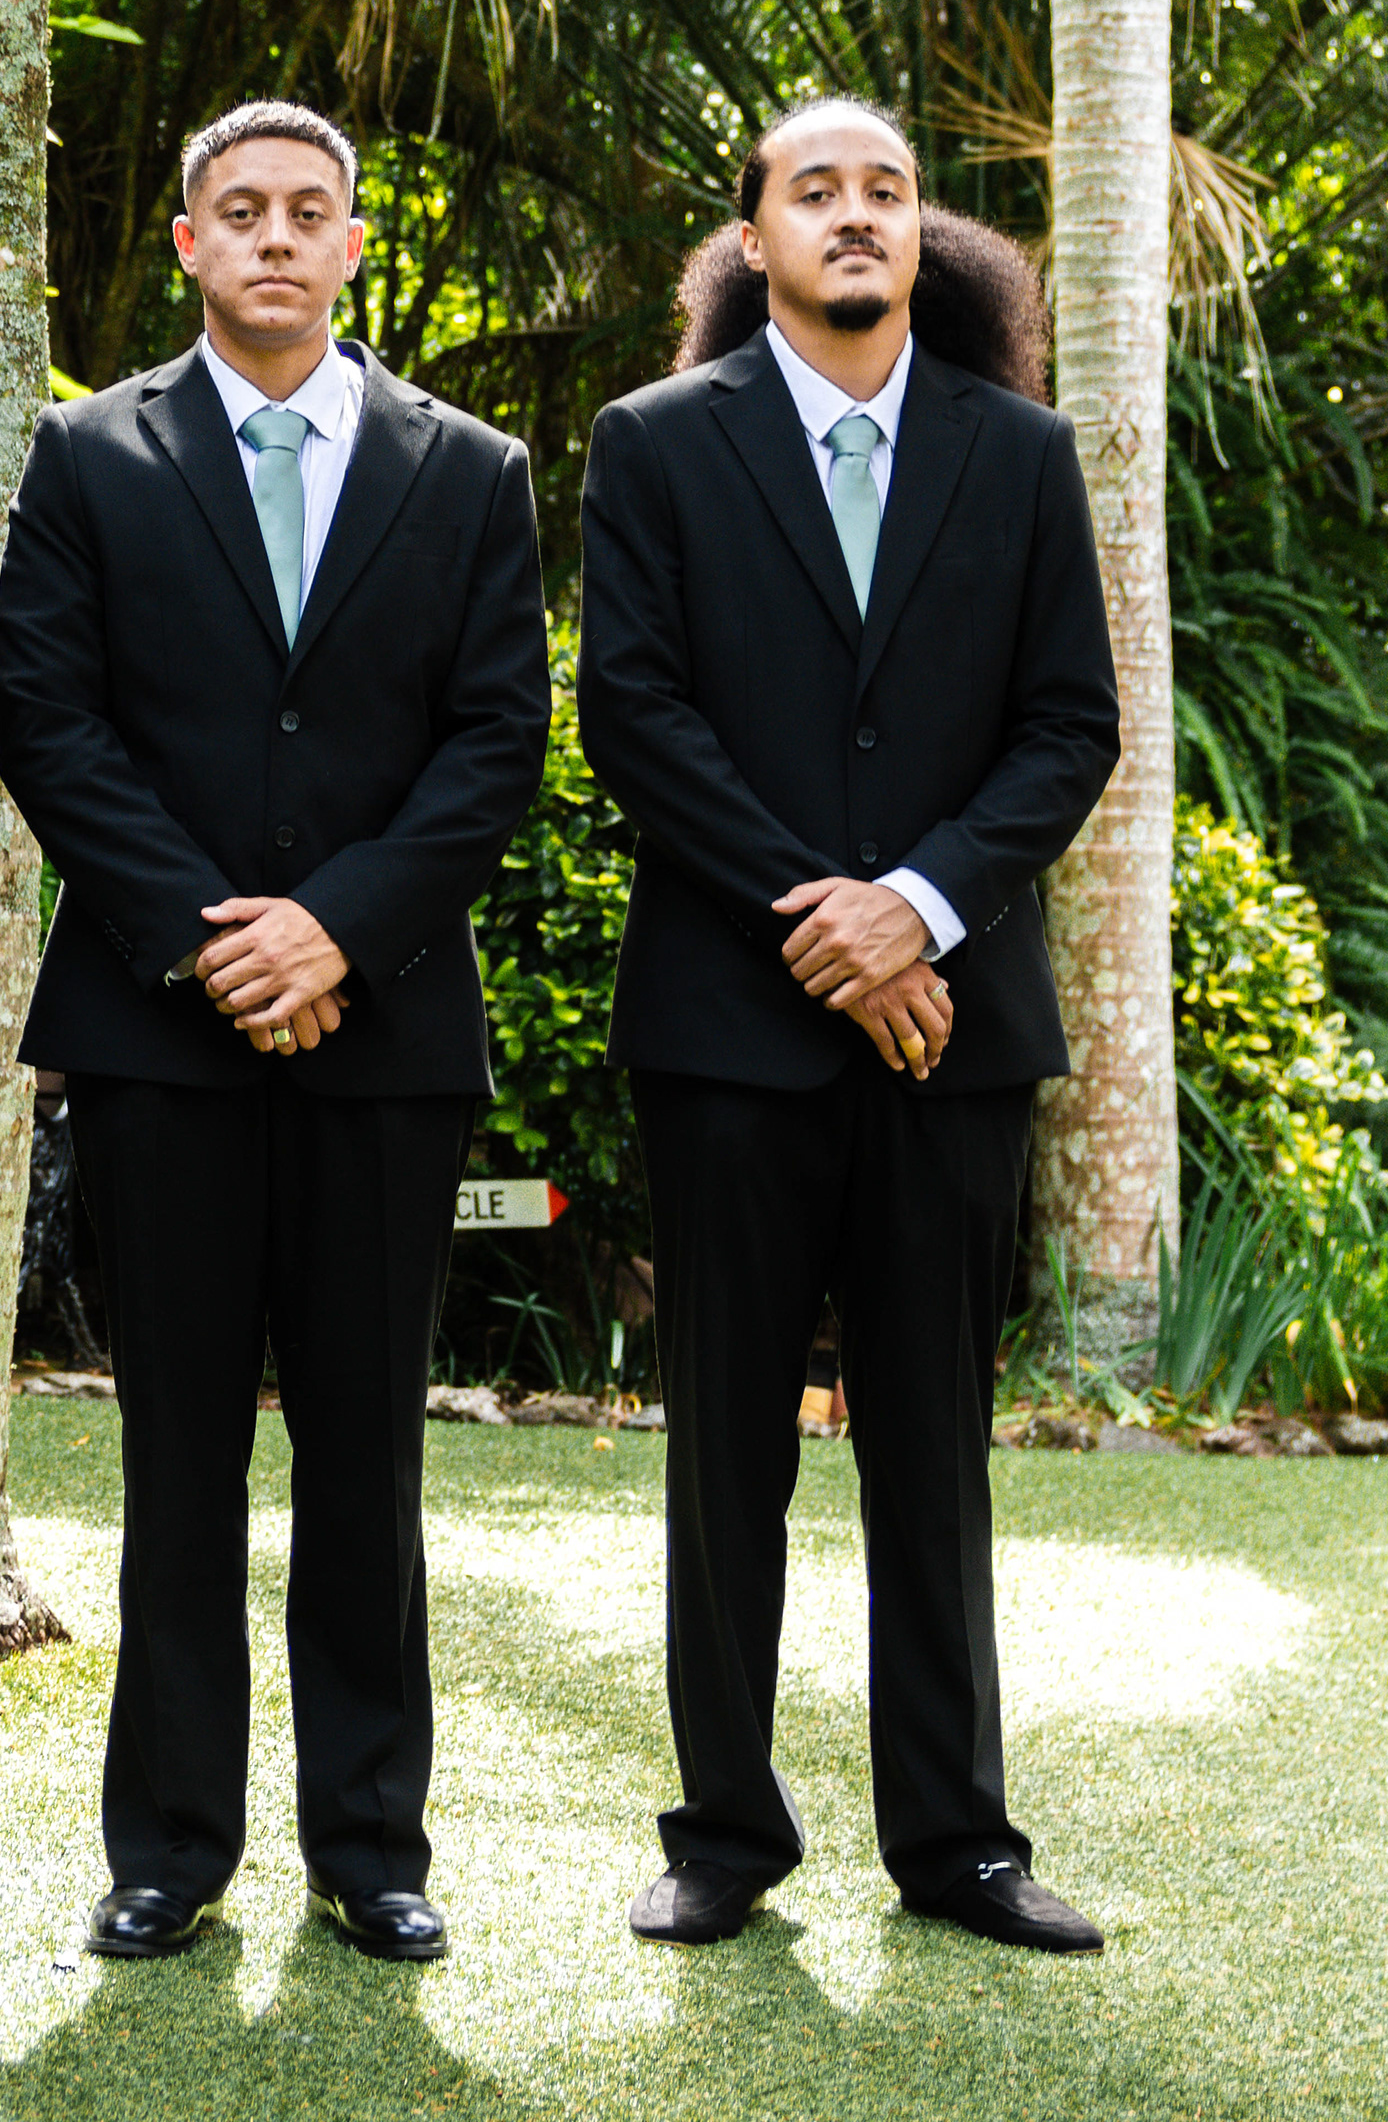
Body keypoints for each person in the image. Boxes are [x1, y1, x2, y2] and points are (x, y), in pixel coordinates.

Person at [0, 100, 551, 1964]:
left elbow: (495, 738)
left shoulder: (468, 468)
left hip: (385, 1036)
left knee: (367, 1459)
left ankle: (371, 1846)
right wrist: (213, 941)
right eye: (242, 211)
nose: (277, 238)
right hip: (163, 1032)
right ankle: (169, 1846)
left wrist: (339, 934)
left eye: (311, 211)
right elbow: (51, 721)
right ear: (189, 243)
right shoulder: (90, 453)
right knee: (176, 1460)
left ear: (354, 243)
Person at [577, 94, 1120, 1953]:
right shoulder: (654, 444)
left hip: (957, 1030)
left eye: (887, 189)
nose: (858, 214)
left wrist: (923, 910)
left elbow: (1069, 724)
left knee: (933, 1444)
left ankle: (959, 1845)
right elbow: (635, 713)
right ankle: (724, 1833)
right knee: (726, 1441)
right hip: (732, 1024)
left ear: (923, 232)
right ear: (756, 242)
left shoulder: (1022, 454)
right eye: (817, 191)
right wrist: (830, 921)